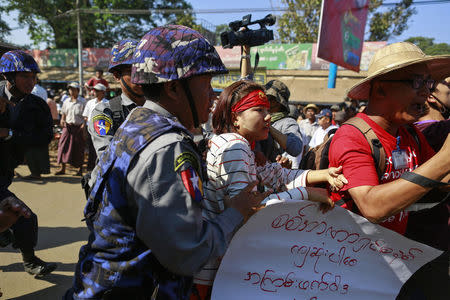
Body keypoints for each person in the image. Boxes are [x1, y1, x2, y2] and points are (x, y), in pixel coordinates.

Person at [67, 25, 272, 300]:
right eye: (207, 84)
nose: (212, 95)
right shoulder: (169, 147)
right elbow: (186, 253)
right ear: (175, 88)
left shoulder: (137, 123)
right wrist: (236, 210)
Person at [192, 80, 346, 298]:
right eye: (258, 110)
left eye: (267, 110)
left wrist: (323, 174)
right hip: (216, 273)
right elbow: (249, 212)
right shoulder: (235, 147)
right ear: (235, 117)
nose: (267, 117)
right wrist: (308, 193)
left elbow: (277, 175)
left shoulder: (238, 143)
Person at [328, 42, 450, 298]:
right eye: (417, 82)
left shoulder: (410, 133)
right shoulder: (352, 136)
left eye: (429, 83)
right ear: (381, 89)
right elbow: (373, 207)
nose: (427, 93)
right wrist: (444, 160)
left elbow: (438, 180)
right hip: (351, 271)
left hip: (393, 269)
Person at [0, 50, 57, 276]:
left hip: (4, 171)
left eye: (34, 77)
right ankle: (30, 260)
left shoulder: (38, 105)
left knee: (21, 216)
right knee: (24, 214)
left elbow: (45, 136)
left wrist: (11, 134)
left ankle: (25, 255)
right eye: (25, 76)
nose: (31, 82)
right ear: (8, 77)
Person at [88, 39, 145, 157]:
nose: (140, 76)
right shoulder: (105, 112)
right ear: (116, 76)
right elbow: (107, 157)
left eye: (143, 69)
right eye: (131, 71)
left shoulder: (160, 108)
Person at [256, 79, 305, 168]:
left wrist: (269, 127)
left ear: (278, 102)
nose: (265, 100)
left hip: (268, 172)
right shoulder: (256, 115)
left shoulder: (287, 122)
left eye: (269, 98)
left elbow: (296, 148)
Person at [55, 82, 86, 176]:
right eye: (70, 89)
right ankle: (62, 168)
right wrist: (62, 120)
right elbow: (63, 113)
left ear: (78, 90)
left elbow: (86, 115)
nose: (71, 91)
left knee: (79, 148)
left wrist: (84, 125)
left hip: (78, 127)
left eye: (73, 89)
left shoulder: (83, 101)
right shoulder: (66, 101)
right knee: (62, 146)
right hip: (67, 126)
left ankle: (80, 170)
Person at [415, 77, 450, 152]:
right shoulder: (435, 131)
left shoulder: (417, 130)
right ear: (431, 97)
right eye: (443, 81)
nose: (448, 83)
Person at [82, 83, 107, 171]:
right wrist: (85, 129)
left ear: (103, 92)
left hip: (102, 130)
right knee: (91, 150)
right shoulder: (90, 103)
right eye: (94, 90)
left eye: (97, 91)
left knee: (101, 149)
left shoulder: (108, 103)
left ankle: (100, 168)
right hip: (90, 129)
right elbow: (86, 117)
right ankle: (90, 168)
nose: (94, 92)